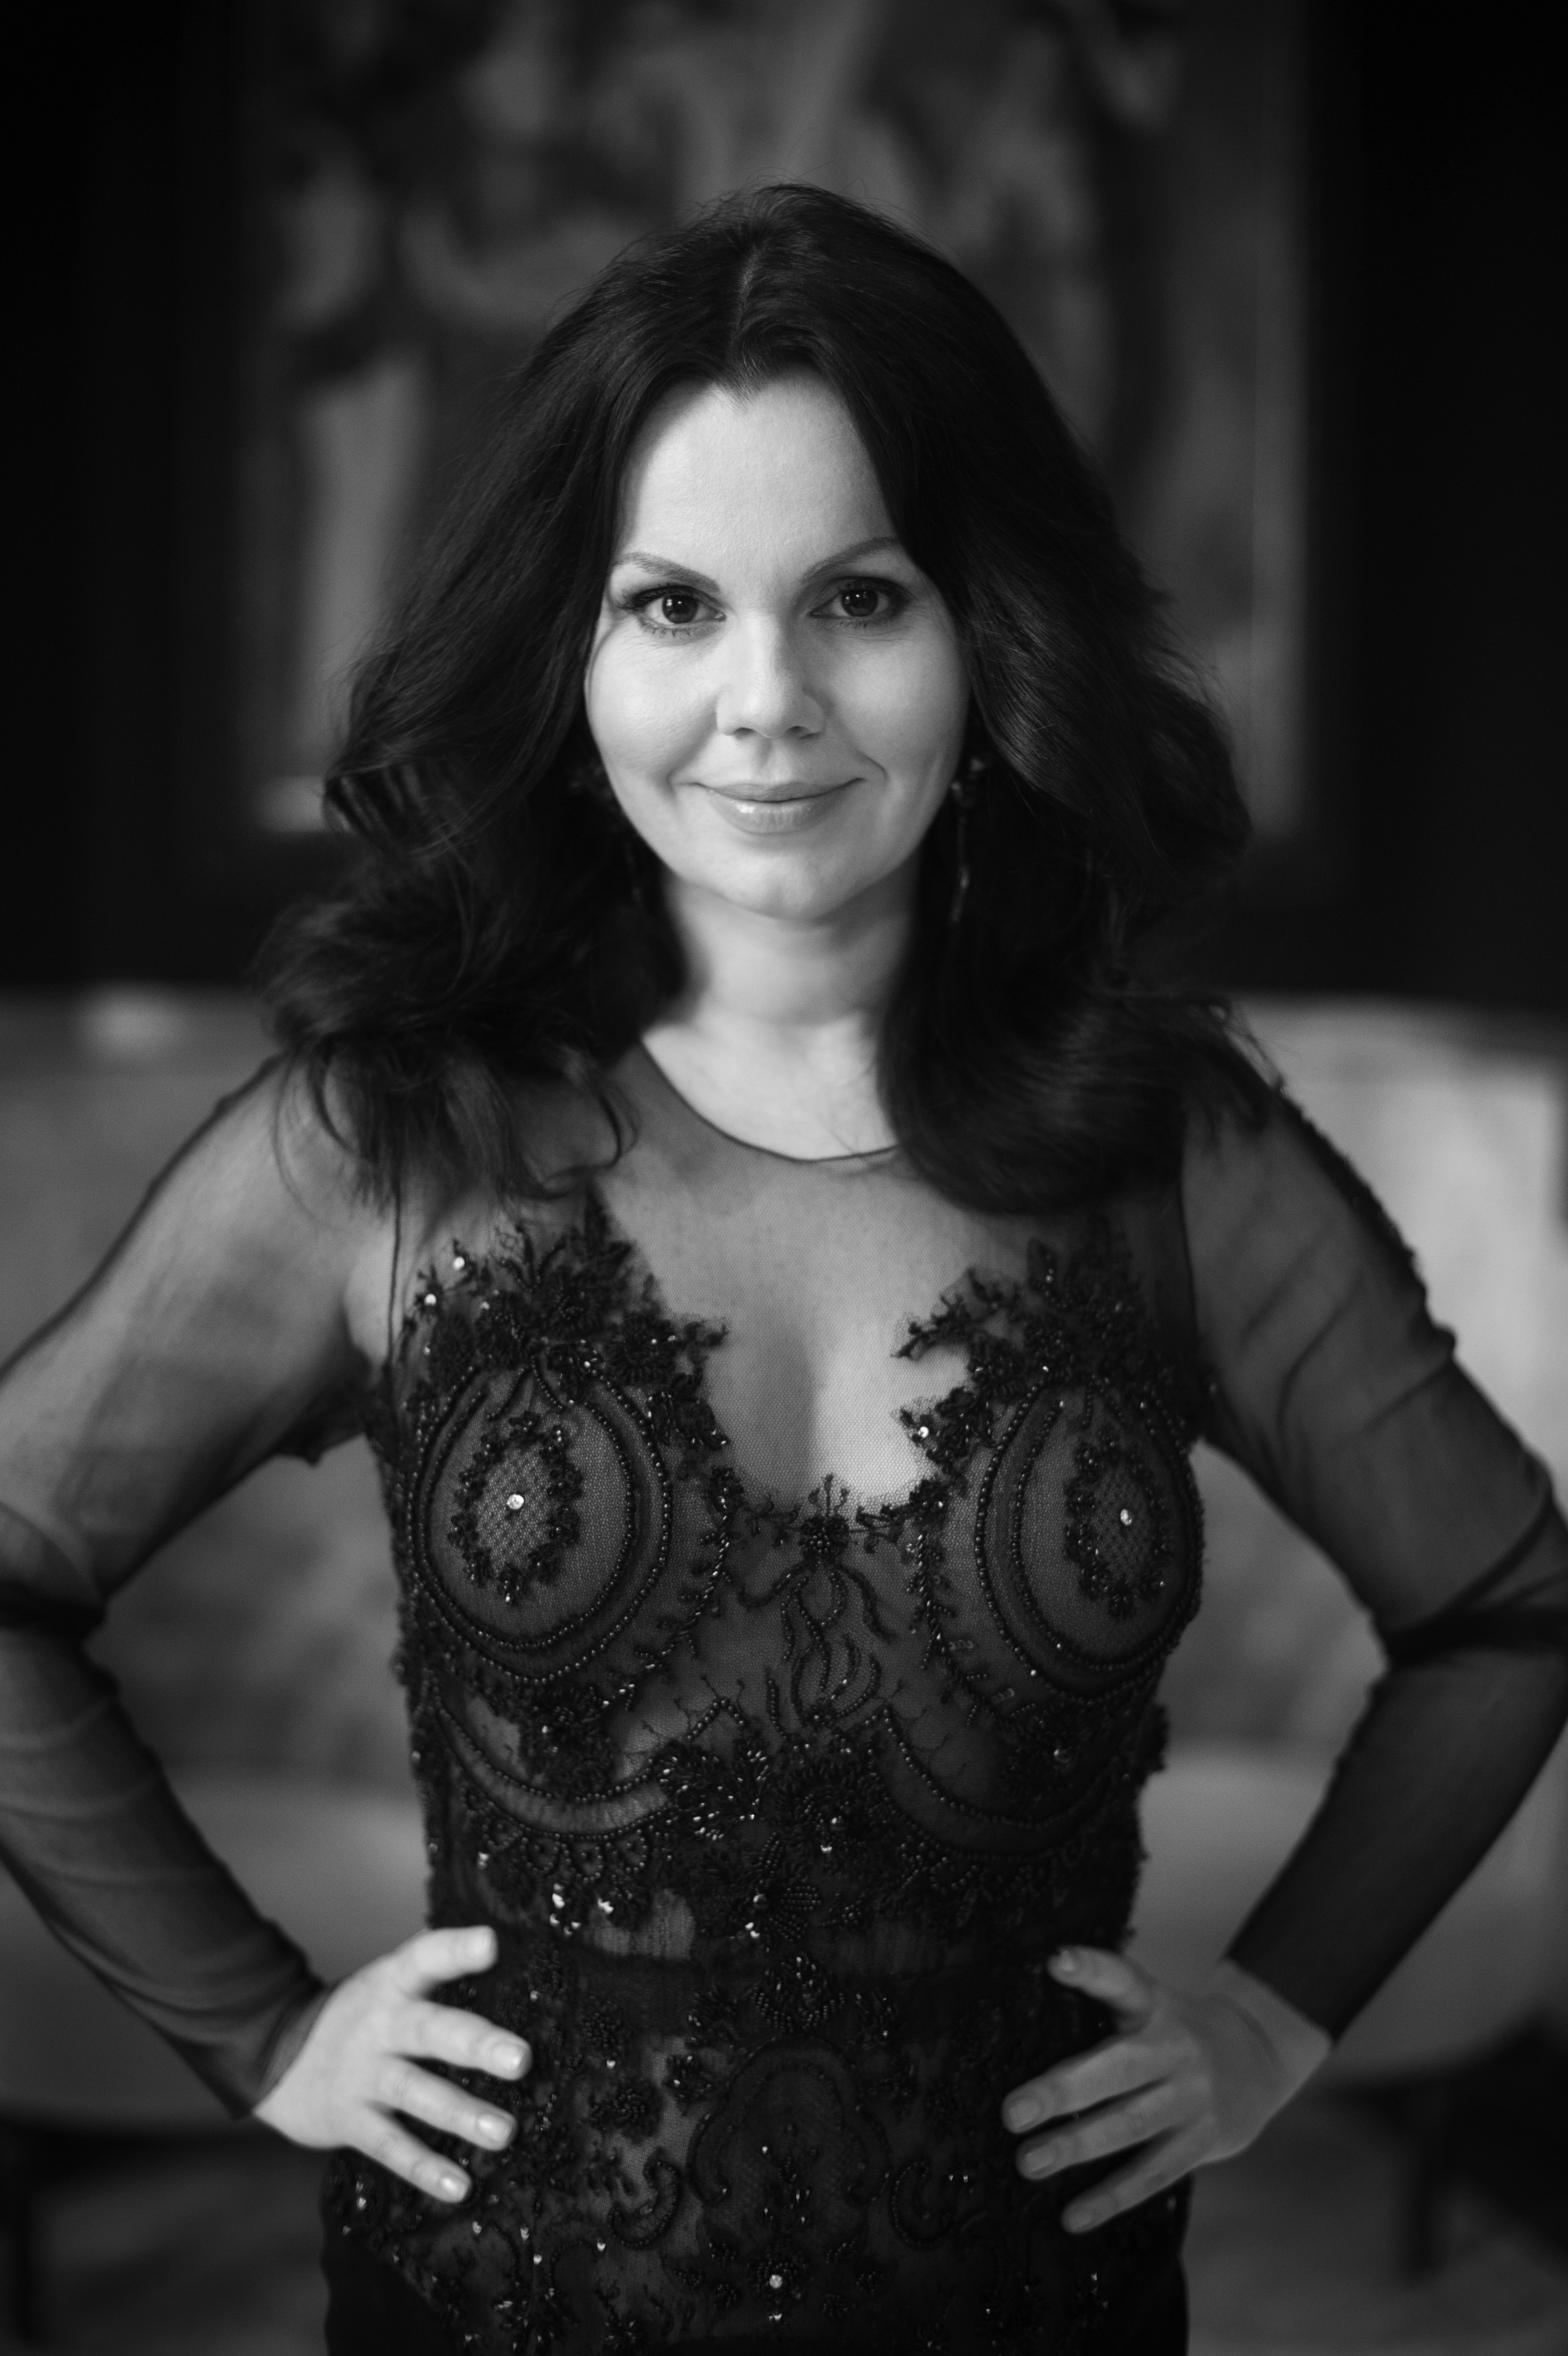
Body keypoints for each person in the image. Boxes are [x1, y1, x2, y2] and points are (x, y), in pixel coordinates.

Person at [2, 186, 1566, 2356]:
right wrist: (258, 2030)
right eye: (671, 605)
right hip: (495, 2306)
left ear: (987, 633)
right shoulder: (391, 1139)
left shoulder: (1177, 1156)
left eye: (859, 596)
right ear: (573, 655)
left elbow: (1507, 1607)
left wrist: (1273, 2016)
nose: (765, 703)